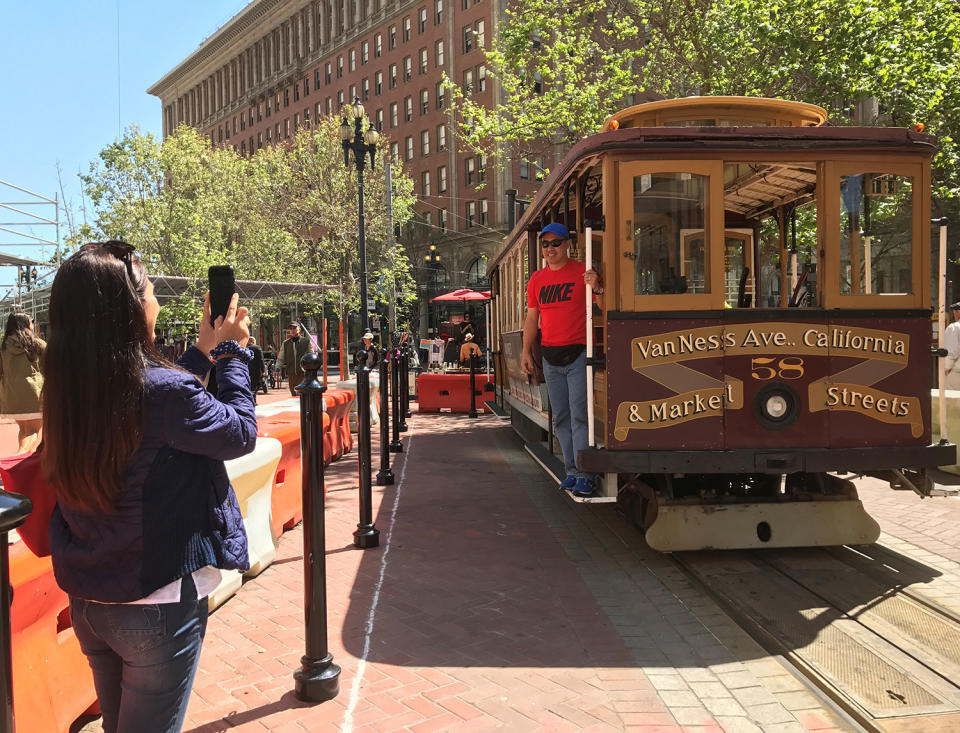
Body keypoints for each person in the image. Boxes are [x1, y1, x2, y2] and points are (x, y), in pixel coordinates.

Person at [40, 240, 256, 733]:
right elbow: (240, 432)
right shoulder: (162, 393)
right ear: (130, 309)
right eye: (151, 290)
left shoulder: (68, 389)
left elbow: (151, 398)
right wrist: (232, 353)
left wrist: (202, 351)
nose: (157, 300)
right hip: (156, 605)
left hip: (91, 601)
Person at [520, 222, 603, 497]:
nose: (550, 248)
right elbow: (533, 318)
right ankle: (572, 471)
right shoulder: (536, 280)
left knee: (581, 416)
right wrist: (525, 352)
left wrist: (598, 288)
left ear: (568, 244)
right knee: (562, 418)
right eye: (545, 244)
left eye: (556, 243)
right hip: (550, 357)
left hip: (579, 353)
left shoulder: (583, 272)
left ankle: (586, 473)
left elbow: (606, 307)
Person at [0, 312, 45, 453]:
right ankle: (17, 464)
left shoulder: (4, 347)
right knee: (35, 432)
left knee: (24, 431)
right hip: (34, 396)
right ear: (26, 324)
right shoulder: (38, 344)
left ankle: (20, 466)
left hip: (12, 398)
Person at [278, 322, 314, 396]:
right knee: (294, 395)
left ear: (299, 329)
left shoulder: (306, 341)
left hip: (303, 374)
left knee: (302, 395)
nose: (292, 330)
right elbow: (280, 358)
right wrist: (277, 367)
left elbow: (311, 356)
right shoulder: (285, 343)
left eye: (294, 328)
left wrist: (311, 369)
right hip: (291, 374)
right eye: (290, 328)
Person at [944, 302, 960, 390]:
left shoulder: (954, 327)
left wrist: (946, 368)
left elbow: (951, 352)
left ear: (957, 312)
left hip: (956, 374)